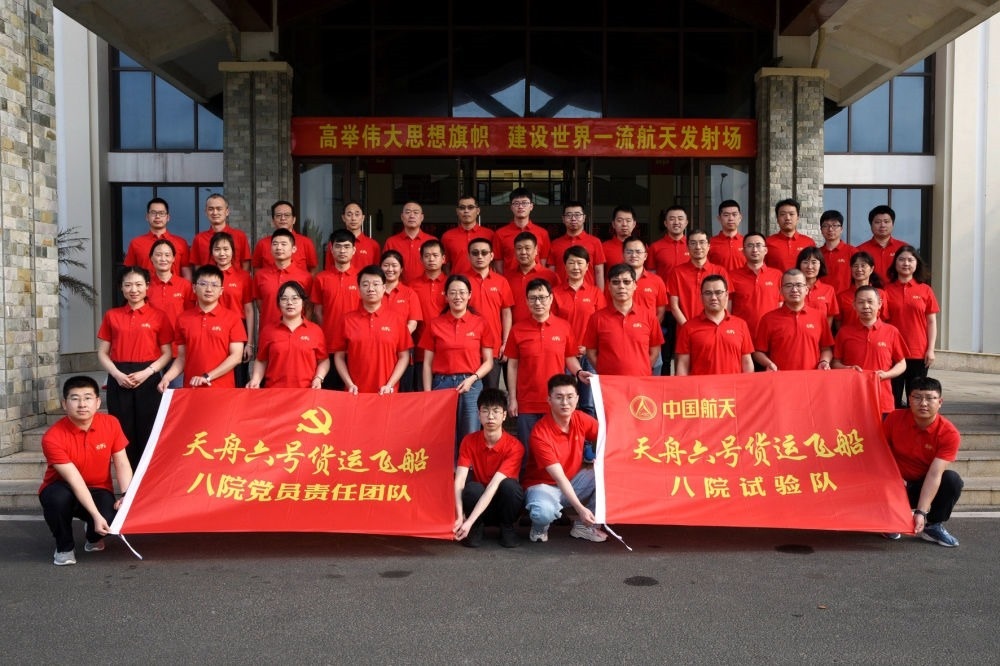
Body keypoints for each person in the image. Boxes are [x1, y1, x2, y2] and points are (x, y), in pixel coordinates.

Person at [38, 376, 134, 566]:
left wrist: (126, 495)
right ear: (64, 404)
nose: (82, 404)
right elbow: (74, 480)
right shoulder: (53, 437)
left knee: (112, 517)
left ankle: (92, 535)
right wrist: (96, 515)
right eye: (75, 398)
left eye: (88, 398)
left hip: (98, 488)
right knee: (57, 500)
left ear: (97, 402)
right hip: (62, 487)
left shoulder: (111, 423)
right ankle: (64, 547)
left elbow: (122, 463)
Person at [96, 266, 173, 470]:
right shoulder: (112, 315)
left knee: (149, 428)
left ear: (147, 287)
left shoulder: (159, 316)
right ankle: (127, 479)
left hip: (149, 376)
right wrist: (116, 374)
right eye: (128, 285)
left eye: (139, 284)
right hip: (119, 376)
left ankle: (147, 477)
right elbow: (102, 353)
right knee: (122, 431)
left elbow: (167, 353)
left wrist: (148, 372)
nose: (134, 289)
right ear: (121, 288)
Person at [522, 374, 606, 544]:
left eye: (569, 397)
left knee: (609, 474)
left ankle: (584, 527)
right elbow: (559, 478)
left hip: (573, 481)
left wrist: (601, 457)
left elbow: (607, 437)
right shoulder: (540, 433)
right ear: (549, 400)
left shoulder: (581, 418)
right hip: (544, 486)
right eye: (559, 397)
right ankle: (539, 528)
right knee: (543, 512)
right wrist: (580, 509)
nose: (565, 403)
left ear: (577, 399)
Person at [507, 278, 587, 453]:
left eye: (542, 297)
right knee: (527, 451)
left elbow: (569, 358)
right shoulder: (517, 330)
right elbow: (512, 366)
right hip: (527, 402)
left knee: (554, 451)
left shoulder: (564, 327)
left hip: (556, 401)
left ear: (551, 298)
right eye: (533, 298)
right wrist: (512, 398)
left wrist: (579, 372)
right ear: (526, 301)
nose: (538, 303)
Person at [882, 377, 963, 547]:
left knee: (952, 480)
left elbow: (934, 474)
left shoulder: (949, 434)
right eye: (917, 397)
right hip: (893, 483)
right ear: (909, 399)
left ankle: (933, 526)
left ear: (940, 402)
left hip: (922, 486)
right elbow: (879, 453)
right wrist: (894, 478)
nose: (923, 403)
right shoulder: (894, 419)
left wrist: (921, 512)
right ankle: (890, 518)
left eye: (930, 398)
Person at [419, 274, 495, 449]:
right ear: (446, 296)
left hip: (471, 385)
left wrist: (472, 379)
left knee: (470, 433)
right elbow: (427, 364)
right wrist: (428, 394)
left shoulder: (480, 323)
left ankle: (467, 467)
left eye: (462, 292)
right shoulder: (435, 324)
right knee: (443, 436)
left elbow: (489, 362)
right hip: (442, 385)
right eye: (452, 293)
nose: (457, 297)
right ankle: (447, 467)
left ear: (469, 295)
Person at [452, 388, 524, 548]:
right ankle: (476, 527)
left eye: (496, 411)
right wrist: (460, 515)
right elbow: (459, 480)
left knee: (511, 487)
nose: (490, 416)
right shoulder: (469, 441)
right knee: (472, 488)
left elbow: (494, 485)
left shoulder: (515, 446)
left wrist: (468, 521)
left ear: (504, 415)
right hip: (478, 505)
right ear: (478, 414)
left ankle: (507, 528)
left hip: (502, 504)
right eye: (485, 411)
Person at [158, 264, 248, 390]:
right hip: (192, 388)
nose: (209, 289)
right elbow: (182, 357)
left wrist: (207, 376)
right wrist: (167, 378)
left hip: (222, 390)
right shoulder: (183, 319)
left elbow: (236, 357)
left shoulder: (232, 318)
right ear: (194, 288)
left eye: (214, 285)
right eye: (203, 284)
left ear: (221, 290)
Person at [330, 265, 410, 394]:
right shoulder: (346, 320)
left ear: (384, 288)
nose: (371, 289)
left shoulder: (396, 320)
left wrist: (390, 385)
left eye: (376, 284)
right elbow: (339, 356)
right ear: (359, 289)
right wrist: (349, 384)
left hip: (387, 393)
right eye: (365, 284)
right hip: (356, 393)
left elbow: (404, 356)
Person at [832, 286, 908, 415]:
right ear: (854, 305)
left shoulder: (891, 331)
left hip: (882, 398)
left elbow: (902, 363)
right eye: (861, 302)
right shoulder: (844, 332)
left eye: (870, 302)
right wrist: (848, 368)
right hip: (851, 399)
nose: (866, 306)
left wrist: (886, 374)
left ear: (879, 304)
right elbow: (835, 363)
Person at [551, 246, 606, 418]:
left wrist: (589, 347)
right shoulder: (555, 293)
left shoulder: (595, 293)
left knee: (589, 404)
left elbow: (602, 324)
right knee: (565, 402)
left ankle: (588, 436)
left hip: (589, 355)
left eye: (580, 263)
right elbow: (552, 324)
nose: (575, 267)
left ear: (587, 266)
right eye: (571, 263)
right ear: (565, 266)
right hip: (564, 355)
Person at [584, 264, 664, 376]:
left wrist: (643, 369)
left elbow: (655, 349)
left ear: (635, 285)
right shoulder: (596, 318)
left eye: (626, 282)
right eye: (616, 282)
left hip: (641, 380)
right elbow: (591, 352)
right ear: (609, 286)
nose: (621, 286)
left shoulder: (649, 316)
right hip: (609, 382)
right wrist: (604, 371)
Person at [247, 281, 329, 389]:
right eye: (284, 299)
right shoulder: (268, 331)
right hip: (274, 391)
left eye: (295, 298)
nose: (289, 303)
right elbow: (261, 360)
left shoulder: (315, 331)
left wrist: (318, 378)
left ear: (303, 303)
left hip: (306, 391)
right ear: (278, 304)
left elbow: (324, 360)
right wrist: (255, 380)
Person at [886, 245, 939, 407]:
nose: (906, 263)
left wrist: (931, 349)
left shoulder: (925, 290)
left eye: (910, 260)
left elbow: (931, 322)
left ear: (917, 264)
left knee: (916, 399)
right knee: (892, 399)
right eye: (901, 259)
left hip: (918, 352)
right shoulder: (886, 290)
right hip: (892, 353)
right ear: (895, 263)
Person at [752, 268, 834, 371]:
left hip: (812, 377)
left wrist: (824, 361)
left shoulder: (819, 316)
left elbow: (826, 349)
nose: (794, 290)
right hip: (781, 377)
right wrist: (769, 363)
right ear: (781, 291)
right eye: (788, 286)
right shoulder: (768, 319)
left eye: (799, 285)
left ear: (806, 290)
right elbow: (758, 352)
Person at [675, 275, 754, 376]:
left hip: (732, 385)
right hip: (701, 386)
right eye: (708, 293)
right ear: (701, 297)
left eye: (718, 292)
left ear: (727, 295)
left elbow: (747, 363)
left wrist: (748, 384)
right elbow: (683, 365)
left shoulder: (741, 325)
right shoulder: (688, 327)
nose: (713, 297)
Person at [311, 229, 360, 390]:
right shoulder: (321, 278)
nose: (342, 251)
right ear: (331, 250)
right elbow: (317, 311)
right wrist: (327, 331)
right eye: (338, 246)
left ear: (354, 250)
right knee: (331, 390)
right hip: (329, 342)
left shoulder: (362, 278)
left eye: (347, 247)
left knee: (355, 389)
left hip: (356, 343)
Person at [463, 237, 514, 390]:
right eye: (475, 253)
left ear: (492, 256)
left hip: (494, 347)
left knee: (490, 392)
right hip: (467, 348)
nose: (480, 256)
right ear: (468, 256)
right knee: (469, 393)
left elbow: (506, 313)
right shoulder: (462, 281)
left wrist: (506, 342)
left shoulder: (501, 281)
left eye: (484, 253)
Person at [145, 238, 194, 388]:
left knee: (176, 393)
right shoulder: (145, 286)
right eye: (158, 255)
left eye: (167, 255)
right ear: (151, 258)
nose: (163, 259)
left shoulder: (185, 285)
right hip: (151, 350)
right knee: (152, 394)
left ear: (173, 259)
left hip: (177, 350)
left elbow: (191, 316)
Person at [210, 230, 256, 384]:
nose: (222, 253)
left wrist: (249, 343)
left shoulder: (243, 277)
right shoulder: (206, 276)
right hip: (213, 329)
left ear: (232, 251)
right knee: (215, 374)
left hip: (238, 330)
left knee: (239, 377)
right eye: (217, 249)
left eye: (226, 249)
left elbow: (249, 310)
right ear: (211, 252)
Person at [667, 229, 730, 327]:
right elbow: (674, 306)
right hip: (685, 329)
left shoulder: (720, 271)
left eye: (702, 242)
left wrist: (717, 324)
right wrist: (688, 328)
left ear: (709, 246)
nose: (698, 247)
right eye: (693, 243)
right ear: (687, 247)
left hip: (714, 328)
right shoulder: (677, 272)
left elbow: (725, 302)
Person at [728, 232, 783, 342]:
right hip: (742, 335)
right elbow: (728, 309)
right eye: (750, 245)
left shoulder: (777, 275)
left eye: (758, 245)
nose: (754, 249)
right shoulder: (732, 276)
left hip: (771, 335)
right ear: (743, 251)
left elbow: (781, 306)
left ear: (766, 250)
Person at [253, 228, 313, 328]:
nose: (279, 247)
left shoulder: (306, 277)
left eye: (283, 244)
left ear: (294, 249)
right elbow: (260, 305)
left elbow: (309, 308)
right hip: (268, 331)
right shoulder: (260, 275)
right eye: (275, 244)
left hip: (296, 331)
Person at [380, 249, 422, 391]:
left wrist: (395, 340)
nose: (390, 269)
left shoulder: (409, 293)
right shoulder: (374, 292)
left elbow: (413, 323)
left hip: (403, 347)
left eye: (394, 265)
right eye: (386, 265)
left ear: (401, 269)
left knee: (404, 390)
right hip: (378, 347)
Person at [410, 239, 449, 389]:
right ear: (421, 260)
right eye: (427, 256)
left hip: (446, 350)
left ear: (443, 259)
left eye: (435, 255)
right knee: (423, 395)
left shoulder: (451, 284)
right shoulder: (412, 286)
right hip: (420, 350)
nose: (431, 259)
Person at [123, 196, 192, 280]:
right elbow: (129, 273)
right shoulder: (135, 243)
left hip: (175, 288)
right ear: (147, 216)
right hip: (146, 288)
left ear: (168, 217)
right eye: (153, 213)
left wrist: (186, 288)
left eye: (161, 213)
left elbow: (186, 273)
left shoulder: (181, 243)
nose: (157, 216)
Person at [547, 201, 605, 288]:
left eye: (577, 215)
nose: (573, 218)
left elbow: (599, 272)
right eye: (569, 215)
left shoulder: (595, 242)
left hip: (588, 293)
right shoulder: (555, 244)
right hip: (560, 293)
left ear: (584, 218)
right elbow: (551, 273)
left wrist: (599, 294)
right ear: (563, 219)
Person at [506, 231, 560, 325]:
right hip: (514, 329)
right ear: (514, 251)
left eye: (527, 248)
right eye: (519, 248)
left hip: (542, 329)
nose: (523, 252)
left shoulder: (550, 276)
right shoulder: (507, 277)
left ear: (536, 251)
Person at [493, 188, 550, 276]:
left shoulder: (543, 233)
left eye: (524, 203)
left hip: (536, 281)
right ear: (511, 207)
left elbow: (543, 262)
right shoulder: (500, 234)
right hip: (510, 281)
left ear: (531, 206)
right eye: (516, 203)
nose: (520, 206)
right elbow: (498, 264)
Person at [252, 200, 319, 273]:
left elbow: (313, 269)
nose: (283, 218)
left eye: (287, 215)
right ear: (273, 220)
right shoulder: (262, 244)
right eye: (278, 215)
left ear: (294, 220)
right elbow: (256, 268)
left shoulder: (306, 242)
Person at [189, 193, 251, 271]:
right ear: (206, 212)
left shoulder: (239, 236)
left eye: (219, 209)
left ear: (227, 212)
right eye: (211, 209)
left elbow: (245, 264)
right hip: (208, 278)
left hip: (234, 278)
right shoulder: (199, 239)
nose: (215, 212)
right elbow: (197, 266)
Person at [383, 201, 436, 283]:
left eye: (416, 212)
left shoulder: (432, 241)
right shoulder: (391, 242)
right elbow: (385, 268)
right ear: (402, 217)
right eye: (408, 212)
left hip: (425, 286)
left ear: (422, 217)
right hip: (399, 287)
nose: (412, 216)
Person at [835, 251, 888, 330]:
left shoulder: (881, 294)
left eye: (863, 266)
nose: (859, 269)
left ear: (871, 269)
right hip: (850, 336)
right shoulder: (842, 297)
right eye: (855, 266)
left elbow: (884, 320)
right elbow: (838, 323)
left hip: (875, 336)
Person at [441, 195, 493, 276]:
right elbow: (445, 265)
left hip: (483, 281)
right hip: (457, 281)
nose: (466, 211)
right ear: (457, 211)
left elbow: (494, 263)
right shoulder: (447, 236)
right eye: (462, 208)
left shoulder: (490, 234)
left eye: (470, 207)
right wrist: (450, 281)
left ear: (478, 210)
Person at [857, 204, 909, 283]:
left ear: (893, 224)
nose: (882, 225)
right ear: (871, 225)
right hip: (870, 290)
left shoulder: (904, 248)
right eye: (877, 222)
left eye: (886, 221)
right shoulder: (860, 250)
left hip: (897, 289)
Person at [326, 201, 380, 270]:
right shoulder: (334, 244)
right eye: (349, 215)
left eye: (357, 214)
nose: (353, 218)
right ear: (343, 218)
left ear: (363, 217)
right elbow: (329, 270)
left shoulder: (373, 245)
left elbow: (376, 272)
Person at [765, 198, 816, 271]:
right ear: (777, 219)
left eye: (791, 214)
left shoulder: (809, 242)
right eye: (783, 214)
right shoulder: (767, 242)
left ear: (798, 217)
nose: (787, 218)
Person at [797, 246, 839, 326]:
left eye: (814, 262)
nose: (809, 267)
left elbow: (829, 317)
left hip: (820, 333)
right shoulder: (793, 289)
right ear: (799, 265)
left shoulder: (828, 290)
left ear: (821, 265)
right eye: (805, 262)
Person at [647, 205, 690, 277]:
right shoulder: (655, 247)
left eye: (680, 219)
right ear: (665, 223)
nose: (676, 222)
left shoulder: (693, 246)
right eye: (672, 219)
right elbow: (651, 275)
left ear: (686, 223)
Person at [818, 210, 855, 294]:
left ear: (841, 229)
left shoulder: (852, 252)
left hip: (844, 299)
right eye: (826, 226)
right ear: (821, 230)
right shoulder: (817, 254)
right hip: (823, 298)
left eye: (834, 225)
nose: (830, 229)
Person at [707, 199, 747, 271]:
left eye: (734, 214)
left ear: (740, 218)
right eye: (726, 215)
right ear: (719, 218)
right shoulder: (709, 243)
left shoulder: (747, 242)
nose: (731, 218)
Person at [603, 205, 640, 271]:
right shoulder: (604, 247)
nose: (624, 224)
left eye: (628, 221)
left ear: (634, 224)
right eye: (620, 220)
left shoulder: (641, 247)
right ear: (613, 224)